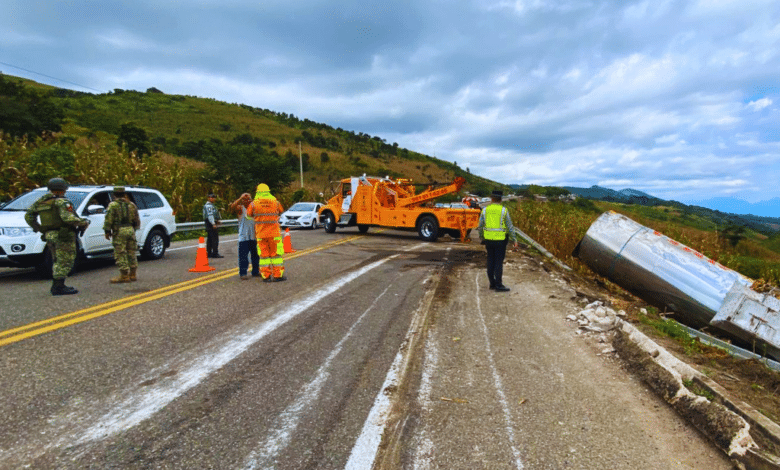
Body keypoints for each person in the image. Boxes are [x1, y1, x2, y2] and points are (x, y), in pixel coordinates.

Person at [24, 177, 90, 295]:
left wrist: (39, 228)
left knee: (56, 259)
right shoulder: (63, 202)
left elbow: (28, 216)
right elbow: (68, 218)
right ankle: (58, 286)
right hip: (63, 235)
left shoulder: (42, 202)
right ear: (63, 189)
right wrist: (83, 222)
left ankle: (58, 285)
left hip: (50, 235)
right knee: (65, 260)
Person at [477, 190, 519, 292]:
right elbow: (509, 226)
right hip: (500, 240)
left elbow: (480, 226)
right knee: (498, 262)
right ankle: (499, 285)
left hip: (489, 240)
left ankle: (492, 283)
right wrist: (514, 239)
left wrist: (482, 237)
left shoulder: (485, 210)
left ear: (491, 199)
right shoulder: (504, 210)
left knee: (490, 260)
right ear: (501, 199)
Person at [246, 183, 286, 281]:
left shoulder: (253, 203)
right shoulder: (275, 201)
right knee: (276, 255)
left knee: (264, 257)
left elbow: (247, 216)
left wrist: (258, 217)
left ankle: (266, 277)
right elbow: (281, 210)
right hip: (274, 234)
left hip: (261, 234)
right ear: (268, 191)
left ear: (258, 192)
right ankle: (277, 276)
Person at [103, 186, 141, 283]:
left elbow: (108, 219)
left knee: (120, 253)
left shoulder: (113, 205)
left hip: (119, 230)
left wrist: (107, 231)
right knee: (131, 251)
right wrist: (135, 228)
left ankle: (124, 275)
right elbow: (137, 219)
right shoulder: (131, 204)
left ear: (114, 194)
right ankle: (133, 274)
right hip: (130, 229)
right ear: (124, 193)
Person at [229, 192, 260, 280]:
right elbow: (232, 207)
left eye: (248, 199)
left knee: (255, 255)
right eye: (245, 199)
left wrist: (252, 199)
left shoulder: (254, 209)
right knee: (243, 257)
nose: (247, 201)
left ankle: (255, 271)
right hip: (244, 237)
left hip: (254, 236)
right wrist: (240, 197)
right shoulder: (240, 208)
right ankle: (243, 273)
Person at [203, 193, 223, 258]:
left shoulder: (211, 205)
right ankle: (215, 253)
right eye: (211, 197)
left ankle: (209, 253)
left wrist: (217, 221)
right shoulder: (209, 206)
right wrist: (213, 223)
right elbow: (210, 215)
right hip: (210, 223)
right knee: (214, 238)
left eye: (214, 197)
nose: (213, 199)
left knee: (210, 238)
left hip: (210, 222)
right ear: (208, 198)